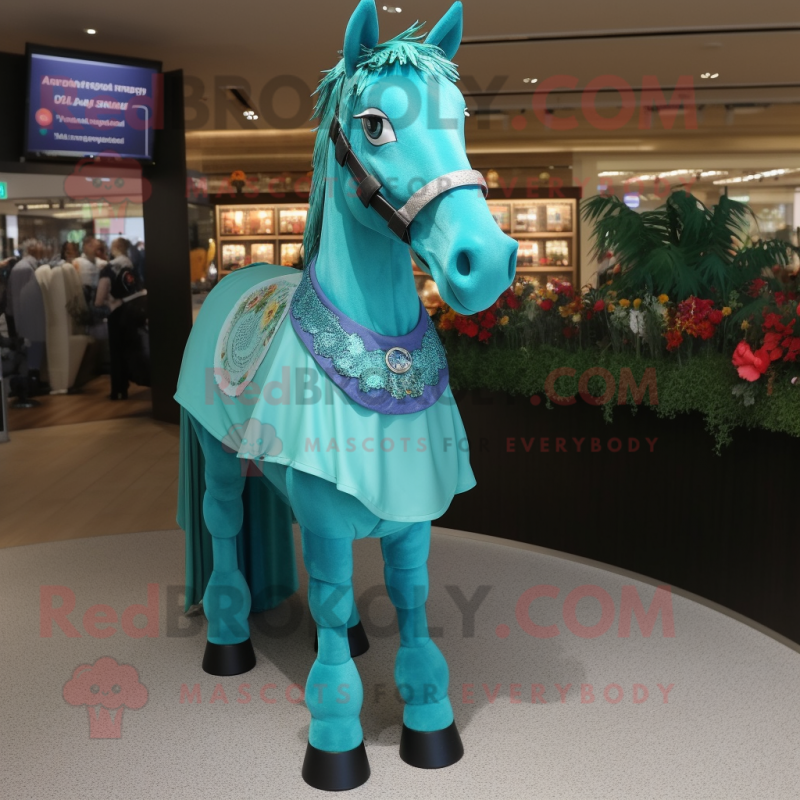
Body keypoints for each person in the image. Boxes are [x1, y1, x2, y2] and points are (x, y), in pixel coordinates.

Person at [97, 237, 149, 399]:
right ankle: (127, 385)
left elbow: (99, 299)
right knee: (129, 350)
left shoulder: (109, 269)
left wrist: (104, 302)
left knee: (116, 352)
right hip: (134, 313)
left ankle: (117, 390)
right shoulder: (131, 267)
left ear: (116, 247)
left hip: (117, 314)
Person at [5, 239, 48, 394]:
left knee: (34, 352)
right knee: (30, 354)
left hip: (29, 319)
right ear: (31, 249)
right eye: (39, 245)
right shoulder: (23, 269)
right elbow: (18, 299)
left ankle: (33, 381)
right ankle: (29, 385)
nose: (42, 247)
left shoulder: (28, 266)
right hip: (26, 320)